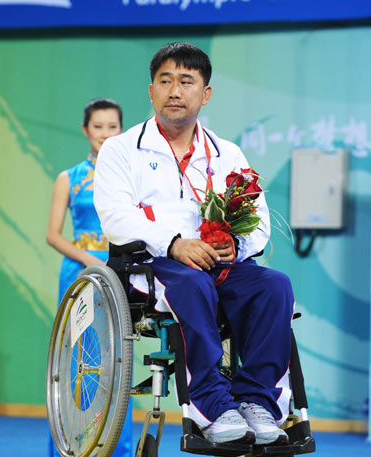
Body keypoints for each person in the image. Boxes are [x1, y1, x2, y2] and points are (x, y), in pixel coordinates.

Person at [93, 43, 294, 447]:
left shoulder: (227, 153)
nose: (174, 91)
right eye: (165, 81)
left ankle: (257, 400)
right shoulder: (121, 151)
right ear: (151, 92)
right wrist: (173, 243)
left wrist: (234, 244)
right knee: (192, 285)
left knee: (275, 286)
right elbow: (115, 217)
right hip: (153, 267)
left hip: (221, 266)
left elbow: (257, 222)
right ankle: (211, 404)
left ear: (206, 94)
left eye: (187, 81)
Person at [46, 97, 132, 457]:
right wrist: (88, 260)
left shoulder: (130, 178)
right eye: (98, 126)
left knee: (118, 359)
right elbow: (53, 234)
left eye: (112, 127)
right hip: (80, 273)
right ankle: (69, 446)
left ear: (121, 131)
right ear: (85, 130)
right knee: (73, 361)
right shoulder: (69, 177)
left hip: (116, 273)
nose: (105, 133)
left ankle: (117, 449)